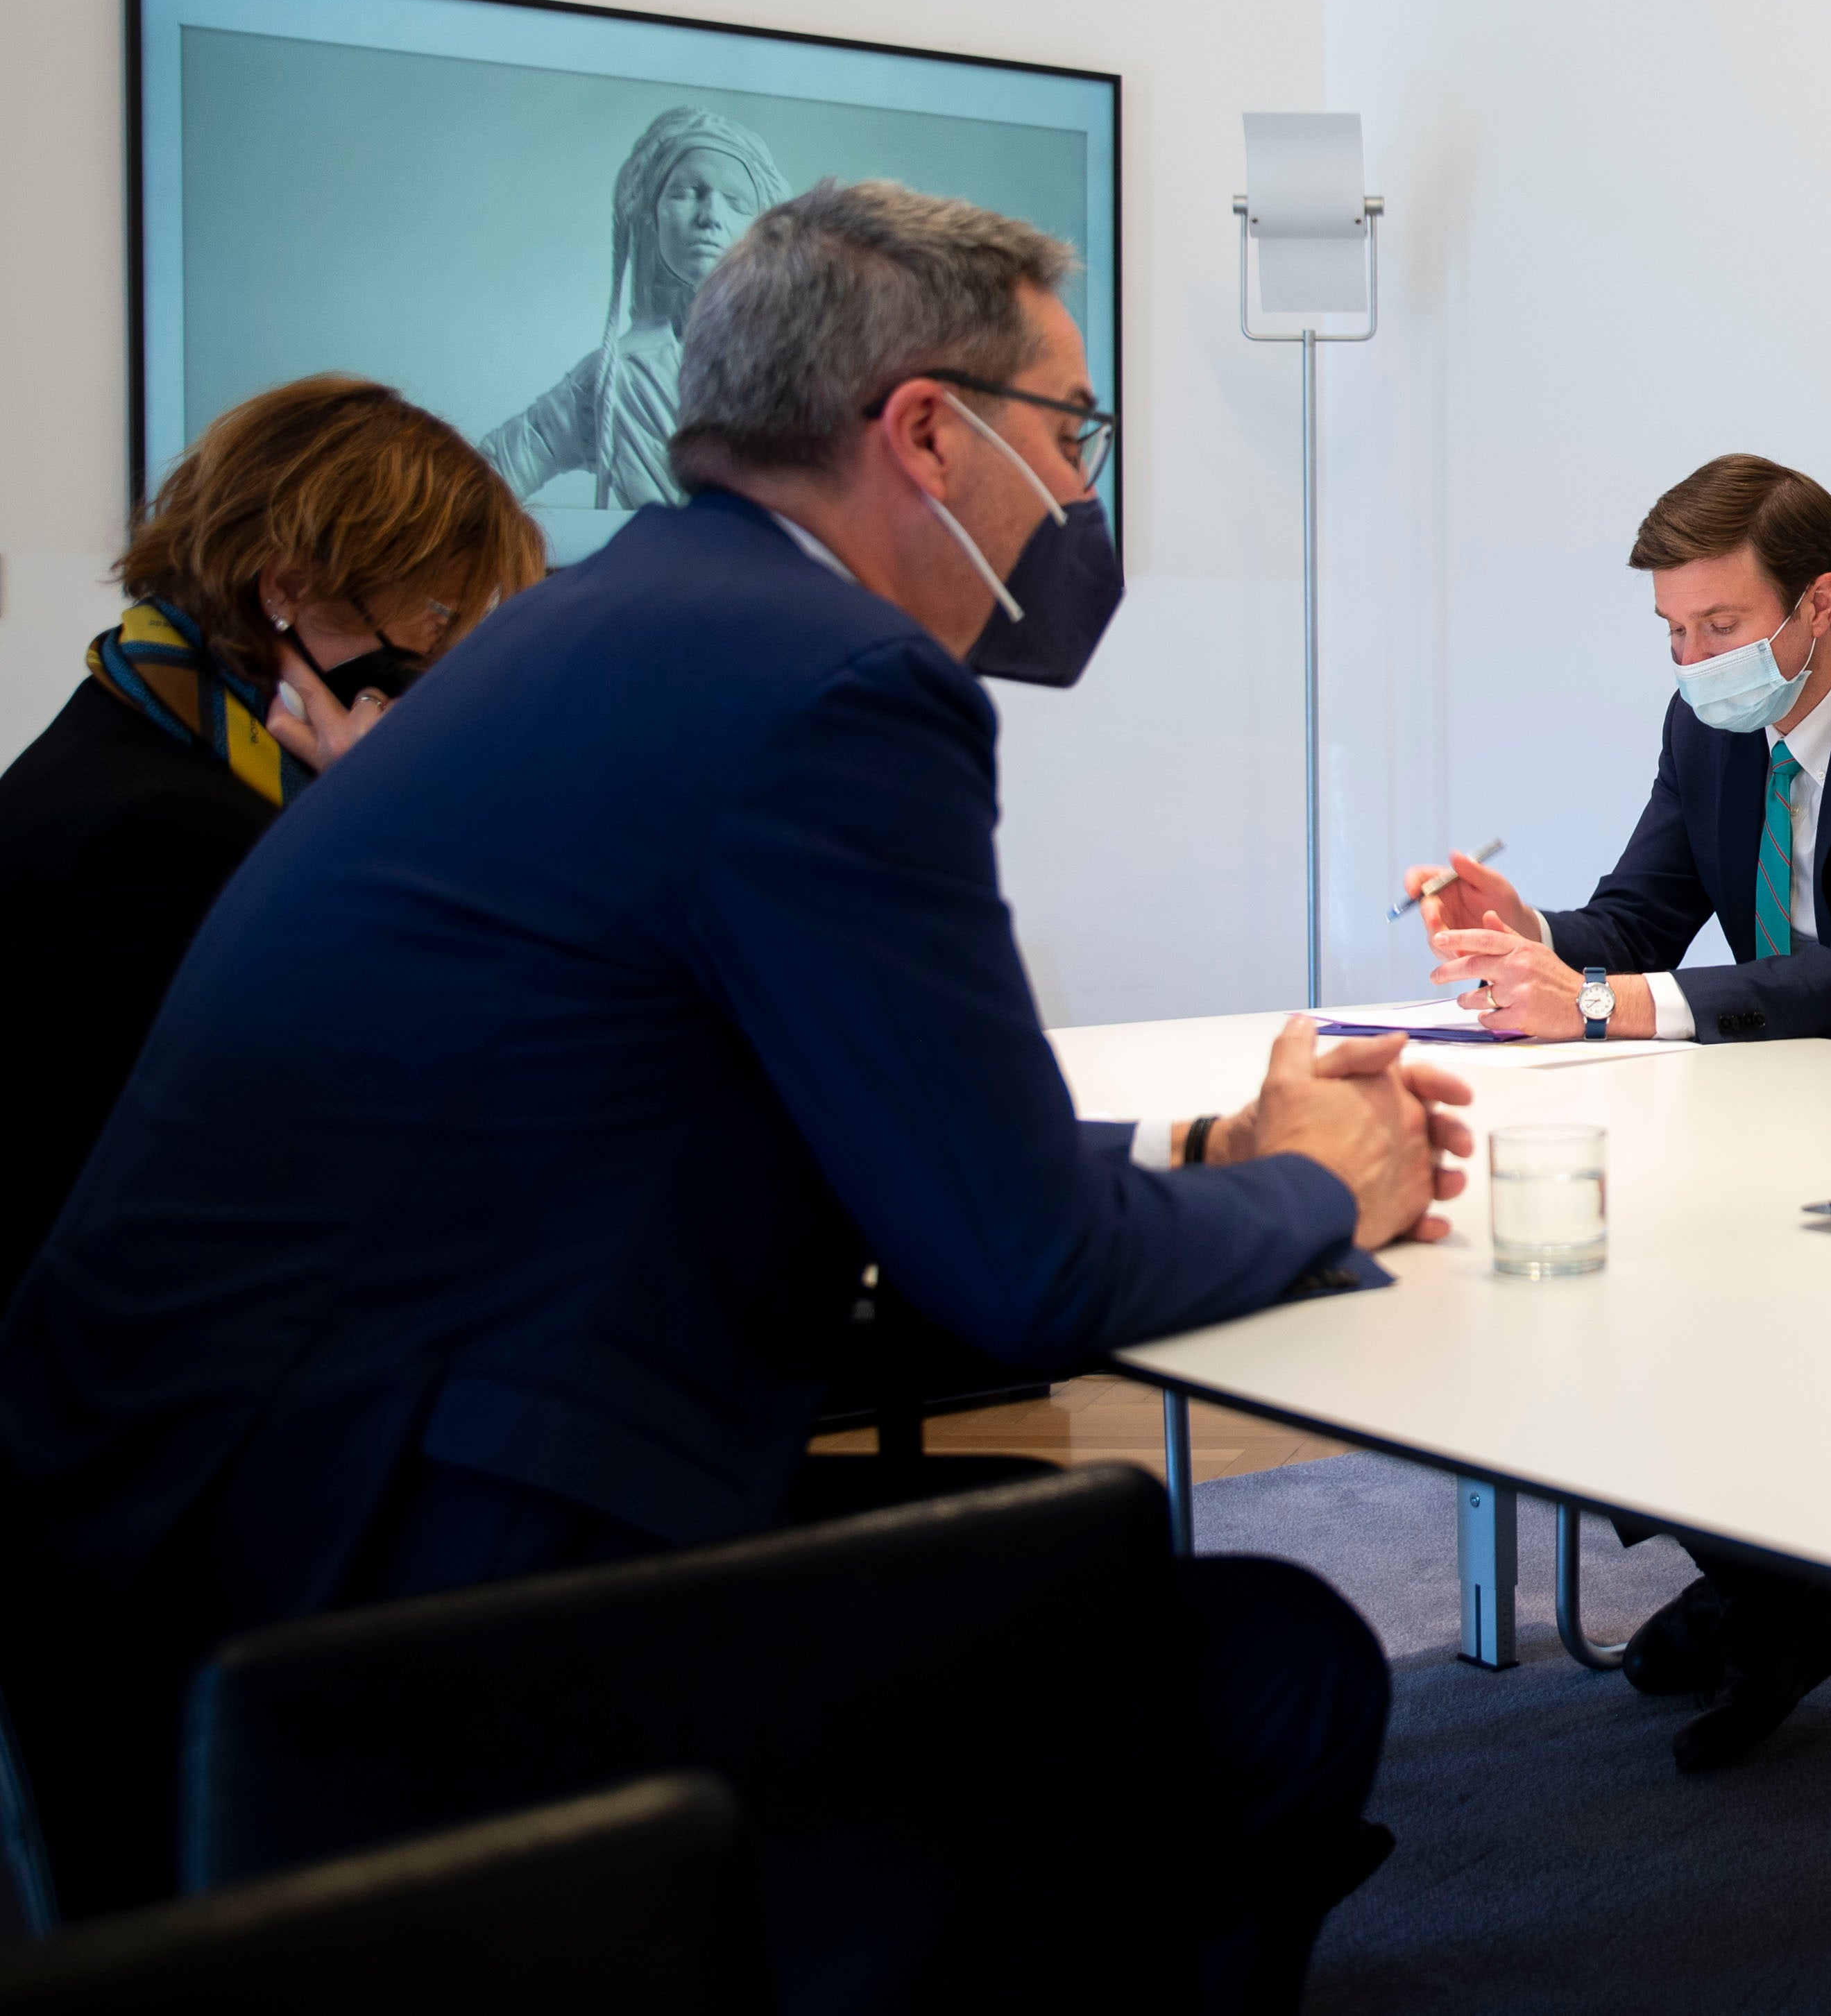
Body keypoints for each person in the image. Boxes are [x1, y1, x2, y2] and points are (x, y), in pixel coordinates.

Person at [0, 181, 1464, 2008]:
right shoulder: (834, 684)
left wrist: (1201, 1149)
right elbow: (1024, 1271)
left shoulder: (592, 627)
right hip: (390, 1614)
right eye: (1069, 431)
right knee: (1275, 1655)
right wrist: (1327, 1183)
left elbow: (851, 1135)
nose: (1080, 493)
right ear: (927, 430)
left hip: (173, 1571)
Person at [1413, 451, 1831, 1771]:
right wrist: (1525, 932)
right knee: (1577, 1264)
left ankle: (1771, 1581)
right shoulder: (1706, 721)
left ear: (1818, 604)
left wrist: (1601, 1007)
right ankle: (1772, 1590)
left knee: (1664, 1276)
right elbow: (1640, 917)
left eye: (1720, 627)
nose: (1694, 660)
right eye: (1671, 632)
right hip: (1767, 1105)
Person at [0, 375, 543, 1298]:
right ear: (288, 591)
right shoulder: (163, 834)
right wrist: (391, 825)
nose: (445, 662)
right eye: (438, 618)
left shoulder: (145, 731)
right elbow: (402, 1107)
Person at [474, 106, 793, 511]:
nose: (710, 215)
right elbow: (489, 474)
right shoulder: (614, 376)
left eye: (736, 202)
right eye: (686, 192)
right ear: (653, 216)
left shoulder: (797, 375)